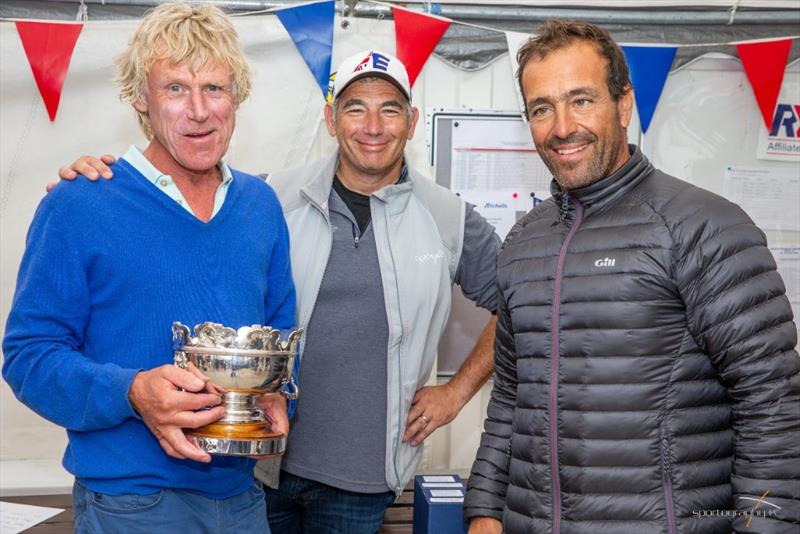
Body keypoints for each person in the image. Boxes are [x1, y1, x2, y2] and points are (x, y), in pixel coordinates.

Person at [57, 50, 501, 533]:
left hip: (365, 478)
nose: (372, 125)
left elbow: (523, 305)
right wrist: (104, 188)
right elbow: (189, 256)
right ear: (331, 119)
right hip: (258, 466)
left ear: (412, 122)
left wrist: (457, 392)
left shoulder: (449, 218)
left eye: (389, 109)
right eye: (354, 108)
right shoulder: (267, 199)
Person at [464, 19, 799, 534]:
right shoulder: (523, 242)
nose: (561, 127)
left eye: (581, 100)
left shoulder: (704, 226)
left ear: (623, 104)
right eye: (541, 108)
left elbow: (772, 405)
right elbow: (511, 395)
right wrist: (485, 510)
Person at [3, 4, 295, 533]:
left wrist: (274, 393)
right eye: (176, 89)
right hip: (131, 506)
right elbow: (28, 358)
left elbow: (279, 339)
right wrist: (131, 391)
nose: (199, 110)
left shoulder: (260, 205)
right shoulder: (79, 205)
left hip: (244, 501)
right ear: (141, 97)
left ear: (237, 98)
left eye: (215, 88)